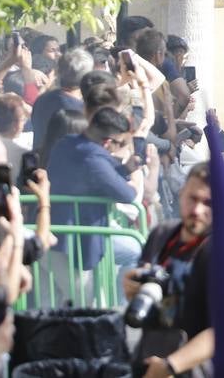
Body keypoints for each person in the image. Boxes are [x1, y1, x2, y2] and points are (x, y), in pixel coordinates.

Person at [126, 162, 214, 378]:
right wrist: (131, 286)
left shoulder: (222, 252)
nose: (197, 210)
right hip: (149, 356)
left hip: (195, 369)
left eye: (208, 203)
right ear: (181, 193)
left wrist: (169, 366)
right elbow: (144, 297)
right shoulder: (162, 234)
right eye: (193, 198)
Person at [46, 106, 142, 300]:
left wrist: (124, 170)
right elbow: (126, 195)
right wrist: (132, 180)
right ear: (107, 142)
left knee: (48, 304)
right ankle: (121, 307)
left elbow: (89, 178)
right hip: (74, 240)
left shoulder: (65, 144)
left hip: (51, 233)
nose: (119, 147)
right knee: (86, 303)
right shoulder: (94, 159)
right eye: (120, 143)